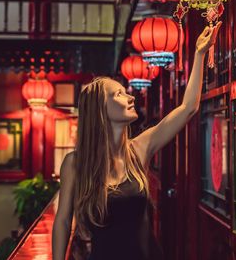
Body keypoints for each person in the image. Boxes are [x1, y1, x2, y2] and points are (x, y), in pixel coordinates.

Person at [52, 22, 221, 260]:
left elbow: (188, 108)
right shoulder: (75, 163)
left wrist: (199, 54)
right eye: (119, 94)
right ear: (101, 109)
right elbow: (62, 222)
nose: (130, 96)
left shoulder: (140, 148)